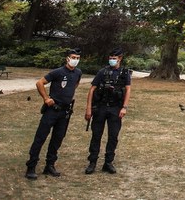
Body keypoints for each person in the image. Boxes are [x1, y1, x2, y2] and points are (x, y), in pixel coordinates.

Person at [25, 47, 82, 180]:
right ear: (67, 58)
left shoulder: (78, 72)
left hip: (65, 111)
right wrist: (46, 98)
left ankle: (49, 165)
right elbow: (40, 83)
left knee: (57, 139)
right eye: (73, 58)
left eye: (78, 58)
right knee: (40, 137)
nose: (75, 60)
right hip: (52, 110)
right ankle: (31, 166)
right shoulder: (58, 72)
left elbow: (75, 85)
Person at [85, 47, 132, 174]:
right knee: (96, 135)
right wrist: (89, 108)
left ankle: (108, 162)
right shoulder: (102, 72)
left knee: (113, 136)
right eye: (110, 58)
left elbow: (128, 90)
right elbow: (92, 89)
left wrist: (124, 107)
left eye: (114, 59)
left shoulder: (125, 73)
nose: (112, 60)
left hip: (116, 109)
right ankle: (92, 161)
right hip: (100, 107)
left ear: (120, 59)